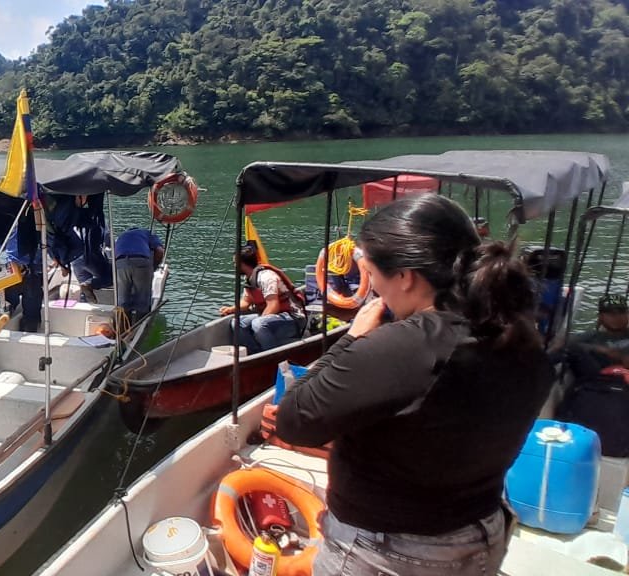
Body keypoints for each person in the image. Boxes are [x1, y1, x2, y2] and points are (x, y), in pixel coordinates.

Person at [275, 194, 552, 576]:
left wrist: (352, 338)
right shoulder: (519, 334)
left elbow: (293, 419)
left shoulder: (409, 347)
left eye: (371, 274)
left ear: (405, 277)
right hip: (480, 532)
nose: (372, 288)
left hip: (393, 551)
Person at [220, 242, 305, 353]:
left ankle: (272, 356)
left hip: (292, 319)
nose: (234, 266)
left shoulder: (266, 277)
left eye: (235, 263)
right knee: (236, 323)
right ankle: (255, 353)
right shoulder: (250, 279)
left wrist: (259, 320)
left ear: (242, 264)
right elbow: (246, 302)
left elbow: (273, 306)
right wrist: (231, 309)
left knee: (258, 324)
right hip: (273, 317)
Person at [113, 227, 163, 322]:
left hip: (121, 262)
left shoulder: (121, 236)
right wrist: (153, 268)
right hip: (141, 262)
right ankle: (139, 328)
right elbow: (160, 251)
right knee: (142, 299)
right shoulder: (148, 233)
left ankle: (122, 330)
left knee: (122, 300)